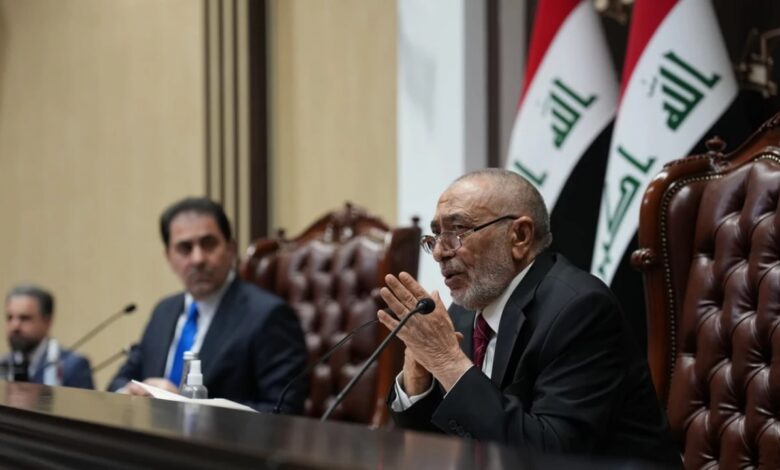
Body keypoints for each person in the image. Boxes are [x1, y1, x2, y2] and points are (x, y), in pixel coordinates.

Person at [377, 169, 679, 465]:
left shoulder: (579, 309)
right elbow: (449, 444)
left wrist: (447, 362)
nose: (440, 252)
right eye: (436, 235)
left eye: (457, 231)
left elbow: (552, 455)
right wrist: (417, 382)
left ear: (519, 236)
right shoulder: (464, 313)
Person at [108, 197, 307, 413]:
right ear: (169, 257)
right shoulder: (164, 311)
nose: (198, 259)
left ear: (230, 249)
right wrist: (129, 392)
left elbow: (283, 411)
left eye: (208, 244)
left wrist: (189, 406)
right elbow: (121, 380)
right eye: (185, 248)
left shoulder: (267, 315)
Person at [3, 284, 94, 389]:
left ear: (47, 321)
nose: (15, 326)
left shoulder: (72, 367)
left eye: (25, 318)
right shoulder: (3, 366)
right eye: (10, 318)